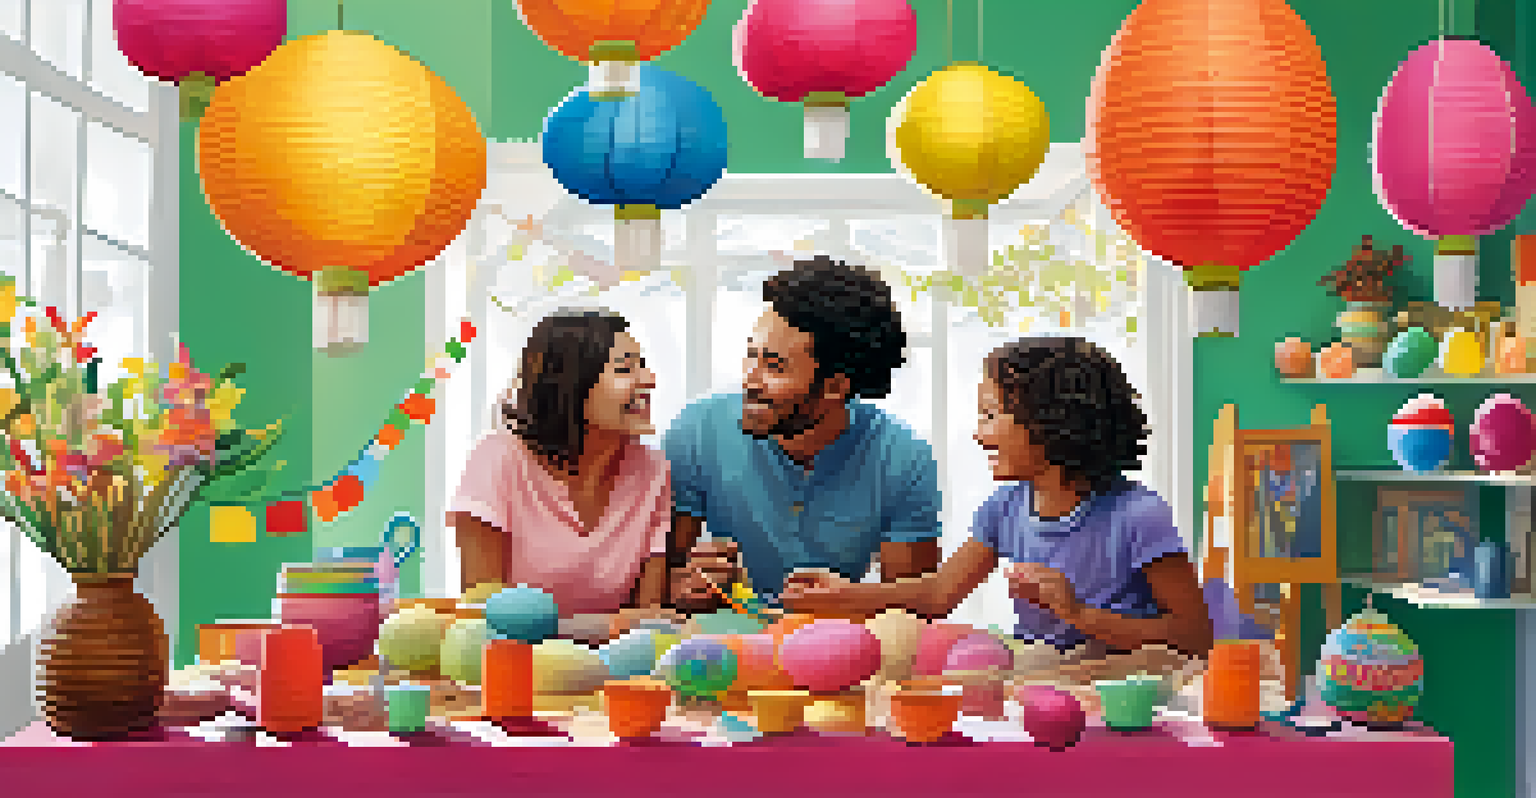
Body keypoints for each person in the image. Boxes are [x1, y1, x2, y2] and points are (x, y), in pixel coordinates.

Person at [779, 336, 1213, 663]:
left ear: (1051, 421)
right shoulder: (1005, 506)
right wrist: (843, 595)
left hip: (1121, 678)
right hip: (1048, 673)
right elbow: (938, 595)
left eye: (990, 414)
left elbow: (1195, 636)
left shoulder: (1137, 514)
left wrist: (1078, 613)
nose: (978, 433)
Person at [664, 256, 942, 611]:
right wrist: (688, 586)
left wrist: (844, 603)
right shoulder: (698, 430)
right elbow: (659, 583)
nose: (751, 380)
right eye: (752, 357)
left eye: (774, 367)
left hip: (834, 645)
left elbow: (909, 612)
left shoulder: (903, 458)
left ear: (834, 387)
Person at [448, 309, 674, 639]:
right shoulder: (498, 460)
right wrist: (599, 627)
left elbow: (646, 625)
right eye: (626, 369)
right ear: (570, 384)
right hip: (515, 671)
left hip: (612, 674)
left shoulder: (653, 471)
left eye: (643, 366)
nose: (649, 380)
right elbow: (484, 620)